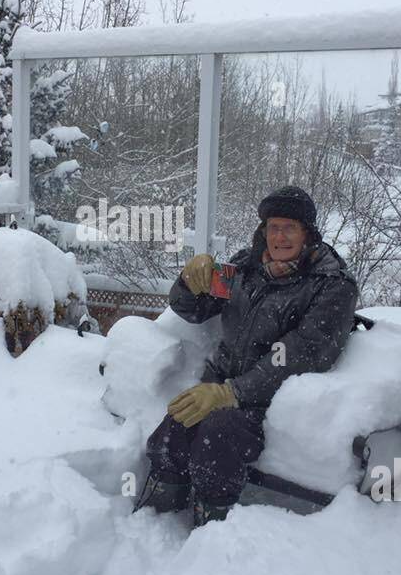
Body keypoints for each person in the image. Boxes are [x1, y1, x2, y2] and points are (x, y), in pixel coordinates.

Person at [134, 185, 360, 527]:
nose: (279, 237)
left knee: (217, 437)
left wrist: (232, 393)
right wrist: (189, 281)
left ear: (308, 234)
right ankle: (154, 518)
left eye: (290, 228)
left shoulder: (331, 285)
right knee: (172, 432)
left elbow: (304, 354)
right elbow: (192, 310)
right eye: (273, 227)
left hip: (273, 402)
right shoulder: (246, 267)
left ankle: (212, 526)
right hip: (221, 384)